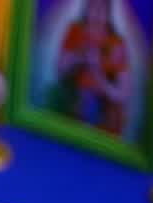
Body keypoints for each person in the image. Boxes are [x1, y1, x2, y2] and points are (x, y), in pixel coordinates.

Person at [52, 0, 134, 136]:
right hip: (72, 109)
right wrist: (80, 57)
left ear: (108, 13)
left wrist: (99, 75)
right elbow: (59, 70)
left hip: (104, 115)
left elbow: (123, 93)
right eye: (92, 7)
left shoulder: (117, 43)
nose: (96, 13)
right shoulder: (76, 31)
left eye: (100, 9)